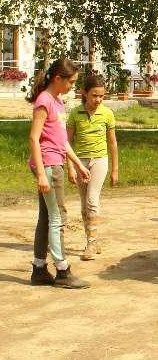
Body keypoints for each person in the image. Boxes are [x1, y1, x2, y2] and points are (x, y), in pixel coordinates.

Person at [27, 58, 91, 288]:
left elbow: (61, 140)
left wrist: (78, 164)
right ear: (57, 79)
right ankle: (62, 270)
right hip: (49, 166)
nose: (72, 86)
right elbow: (34, 138)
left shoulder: (58, 101)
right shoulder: (44, 101)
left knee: (46, 217)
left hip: (55, 162)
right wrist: (43, 174)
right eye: (70, 82)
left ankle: (39, 268)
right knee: (57, 218)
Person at [67, 73, 119, 261]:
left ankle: (92, 243)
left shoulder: (107, 113)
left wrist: (115, 169)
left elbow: (112, 143)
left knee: (91, 199)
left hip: (99, 160)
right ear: (84, 93)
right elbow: (68, 142)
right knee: (83, 205)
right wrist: (71, 167)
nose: (98, 99)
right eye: (94, 95)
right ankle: (91, 239)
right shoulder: (75, 113)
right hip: (80, 160)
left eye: (101, 96)